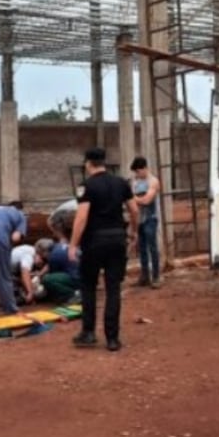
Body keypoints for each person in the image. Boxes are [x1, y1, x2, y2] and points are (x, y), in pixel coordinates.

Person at [69, 147, 139, 352]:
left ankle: (88, 333)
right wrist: (133, 232)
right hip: (117, 239)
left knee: (89, 286)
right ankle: (112, 339)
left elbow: (81, 217)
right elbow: (134, 210)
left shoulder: (86, 186)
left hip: (93, 242)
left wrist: (73, 244)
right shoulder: (121, 183)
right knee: (113, 289)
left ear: (88, 163)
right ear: (104, 163)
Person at [39, 200, 81, 304]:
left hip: (78, 280)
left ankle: (74, 294)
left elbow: (53, 273)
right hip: (87, 277)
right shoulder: (69, 247)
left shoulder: (54, 254)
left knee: (48, 279)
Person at [130, 156, 161, 289]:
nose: (137, 174)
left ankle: (156, 277)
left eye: (138, 171)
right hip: (140, 219)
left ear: (144, 168)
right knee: (142, 248)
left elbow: (147, 200)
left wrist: (132, 197)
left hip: (150, 218)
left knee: (152, 247)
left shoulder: (153, 181)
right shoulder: (135, 182)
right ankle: (144, 276)